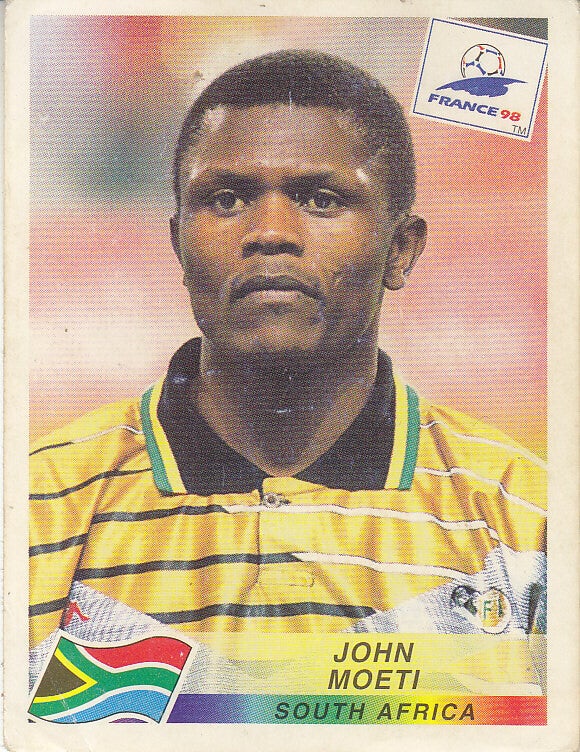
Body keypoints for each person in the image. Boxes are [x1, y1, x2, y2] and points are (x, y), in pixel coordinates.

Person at [30, 51, 546, 660]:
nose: (270, 232)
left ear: (401, 249)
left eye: (321, 199)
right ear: (177, 243)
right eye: (227, 199)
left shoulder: (527, 520)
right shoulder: (38, 509)